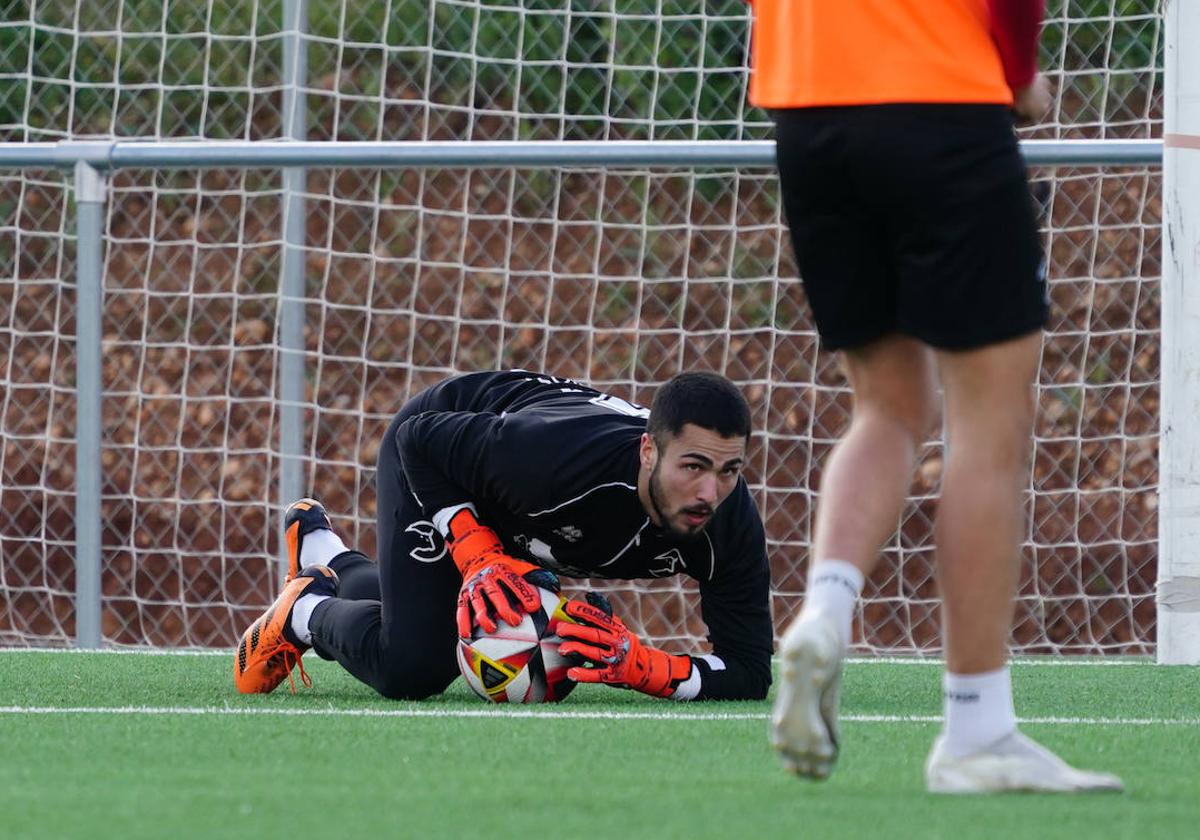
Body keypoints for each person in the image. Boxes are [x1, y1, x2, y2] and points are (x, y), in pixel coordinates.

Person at [748, 0, 1124, 792]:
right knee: (988, 423)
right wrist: (1018, 75)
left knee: (887, 408)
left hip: (809, 114)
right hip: (940, 101)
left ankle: (823, 610)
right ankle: (976, 729)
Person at [233, 369, 772, 703]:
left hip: (525, 511)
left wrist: (647, 667)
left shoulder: (730, 525)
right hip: (443, 458)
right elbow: (419, 443)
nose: (710, 491)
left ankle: (332, 559)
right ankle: (304, 610)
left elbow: (749, 670)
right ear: (648, 451)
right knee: (414, 667)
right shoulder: (552, 459)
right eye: (694, 466)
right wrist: (478, 552)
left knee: (459, 612)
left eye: (729, 471)